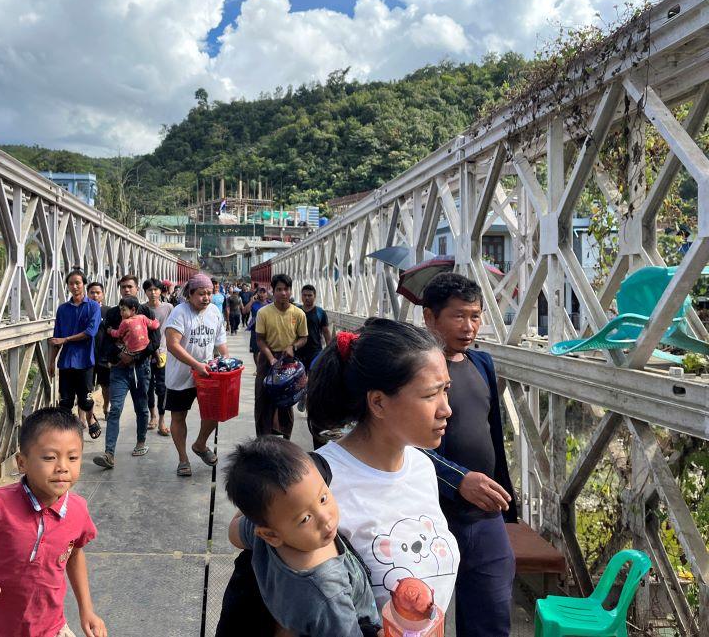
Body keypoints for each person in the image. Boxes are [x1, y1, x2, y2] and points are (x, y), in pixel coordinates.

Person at [216, 320, 459, 636]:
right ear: (378, 402)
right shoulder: (316, 486)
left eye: (446, 390)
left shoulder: (423, 468)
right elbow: (247, 537)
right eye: (430, 395)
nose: (446, 409)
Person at [0, 408, 106, 637]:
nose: (62, 467)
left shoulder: (77, 509)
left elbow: (74, 553)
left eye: (73, 457)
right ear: (22, 462)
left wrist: (87, 610)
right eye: (49, 457)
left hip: (50, 628)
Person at [421, 272, 517, 637]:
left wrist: (509, 503)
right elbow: (399, 443)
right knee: (419, 616)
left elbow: (494, 433)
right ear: (430, 317)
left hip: (483, 511)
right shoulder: (410, 370)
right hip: (430, 514)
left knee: (491, 614)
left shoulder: (482, 364)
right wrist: (458, 479)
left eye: (475, 316)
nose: (469, 326)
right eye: (458, 316)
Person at [225, 437, 382, 637]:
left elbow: (233, 532)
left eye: (323, 498)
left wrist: (254, 506)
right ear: (271, 535)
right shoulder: (328, 593)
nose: (326, 518)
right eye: (305, 518)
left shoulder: (267, 531)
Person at [163, 272, 228, 477]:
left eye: (209, 293)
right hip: (180, 375)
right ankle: (183, 459)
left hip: (207, 373)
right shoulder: (179, 313)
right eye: (201, 294)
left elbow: (220, 343)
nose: (206, 297)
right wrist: (195, 365)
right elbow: (172, 345)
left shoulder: (215, 313)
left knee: (213, 412)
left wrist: (226, 360)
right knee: (179, 416)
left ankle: (200, 445)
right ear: (190, 294)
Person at [93, 275, 160, 469]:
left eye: (130, 287)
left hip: (141, 368)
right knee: (115, 410)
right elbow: (106, 340)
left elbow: (154, 341)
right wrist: (119, 355)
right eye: (123, 287)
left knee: (141, 407)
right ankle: (109, 453)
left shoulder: (146, 312)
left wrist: (135, 357)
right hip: (119, 370)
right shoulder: (115, 313)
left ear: (137, 289)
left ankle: (140, 442)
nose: (126, 290)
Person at [48, 270, 102, 440]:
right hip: (66, 361)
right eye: (71, 283)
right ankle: (67, 433)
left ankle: (90, 416)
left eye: (78, 283)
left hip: (85, 360)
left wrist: (66, 339)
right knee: (65, 402)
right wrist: (51, 361)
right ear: (68, 286)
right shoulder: (62, 309)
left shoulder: (93, 306)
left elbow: (90, 332)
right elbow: (57, 338)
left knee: (86, 400)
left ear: (83, 284)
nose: (75, 286)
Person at [254, 274, 308, 438]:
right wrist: (270, 358)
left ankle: (285, 440)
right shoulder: (264, 313)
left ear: (290, 291)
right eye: (279, 289)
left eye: (286, 289)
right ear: (273, 291)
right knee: (263, 400)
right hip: (267, 359)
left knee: (286, 401)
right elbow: (260, 339)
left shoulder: (298, 314)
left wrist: (293, 346)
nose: (283, 293)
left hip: (288, 361)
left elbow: (303, 338)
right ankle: (263, 441)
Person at [144, 278, 173, 436]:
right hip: (146, 355)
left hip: (164, 353)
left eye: (156, 289)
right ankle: (152, 416)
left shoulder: (168, 308)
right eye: (150, 290)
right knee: (148, 387)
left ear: (161, 291)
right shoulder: (142, 309)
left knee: (162, 388)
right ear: (146, 292)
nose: (153, 292)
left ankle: (162, 419)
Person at [87, 281, 111, 420]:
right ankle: (86, 415)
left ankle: (106, 407)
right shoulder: (84, 310)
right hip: (87, 355)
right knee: (86, 387)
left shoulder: (108, 311)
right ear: (88, 294)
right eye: (92, 292)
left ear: (103, 295)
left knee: (106, 385)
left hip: (104, 355)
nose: (95, 295)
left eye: (98, 293)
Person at [296, 284, 331, 371]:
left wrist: (329, 350)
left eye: (310, 295)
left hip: (315, 351)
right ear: (301, 296)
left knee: (313, 376)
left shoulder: (320, 312)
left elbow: (326, 332)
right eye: (304, 295)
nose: (307, 298)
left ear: (314, 296)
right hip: (298, 350)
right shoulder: (296, 311)